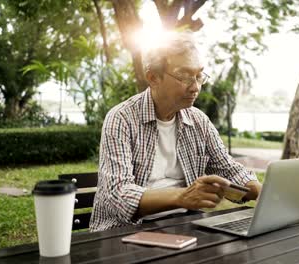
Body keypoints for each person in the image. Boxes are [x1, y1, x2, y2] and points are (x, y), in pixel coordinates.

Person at [89, 32, 262, 232]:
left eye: (198, 76)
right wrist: (183, 197)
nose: (195, 87)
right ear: (153, 78)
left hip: (185, 226)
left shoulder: (198, 121)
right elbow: (118, 195)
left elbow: (228, 169)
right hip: (125, 231)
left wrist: (263, 192)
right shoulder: (121, 119)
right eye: (185, 76)